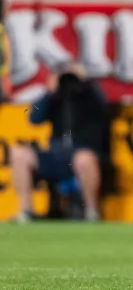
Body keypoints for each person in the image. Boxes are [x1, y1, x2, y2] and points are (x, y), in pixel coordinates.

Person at [10, 63, 108, 223]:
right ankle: (25, 211)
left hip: (81, 152)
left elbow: (101, 107)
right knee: (19, 154)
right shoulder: (54, 98)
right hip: (56, 154)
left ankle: (91, 211)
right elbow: (34, 118)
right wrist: (50, 91)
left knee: (84, 158)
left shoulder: (88, 97)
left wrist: (84, 82)